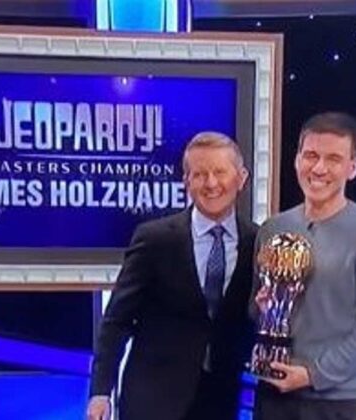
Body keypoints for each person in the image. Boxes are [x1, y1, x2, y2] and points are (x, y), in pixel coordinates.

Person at [87, 132, 258, 420]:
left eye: (219, 172)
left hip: (220, 400)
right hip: (152, 399)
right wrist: (100, 391)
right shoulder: (154, 239)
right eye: (200, 174)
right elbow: (117, 320)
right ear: (186, 181)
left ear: (241, 177)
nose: (211, 183)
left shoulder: (257, 241)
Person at [251, 112, 356, 420]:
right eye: (310, 155)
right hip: (272, 399)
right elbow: (256, 311)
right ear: (296, 160)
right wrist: (262, 308)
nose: (319, 168)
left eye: (334, 159)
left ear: (353, 167)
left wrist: (313, 374)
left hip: (338, 404)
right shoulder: (273, 229)